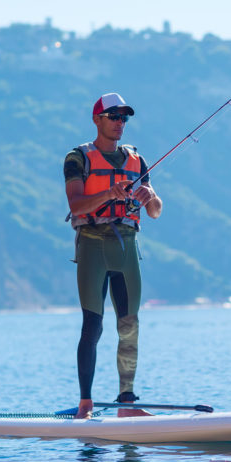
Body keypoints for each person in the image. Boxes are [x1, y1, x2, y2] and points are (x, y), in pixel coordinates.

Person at [64, 92, 163, 419]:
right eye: (114, 117)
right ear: (97, 119)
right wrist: (109, 192)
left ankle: (127, 402)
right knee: (93, 326)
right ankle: (86, 404)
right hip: (92, 245)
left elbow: (156, 213)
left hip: (126, 247)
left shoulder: (137, 159)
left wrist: (150, 197)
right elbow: (76, 206)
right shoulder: (77, 158)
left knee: (130, 324)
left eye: (124, 118)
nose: (120, 123)